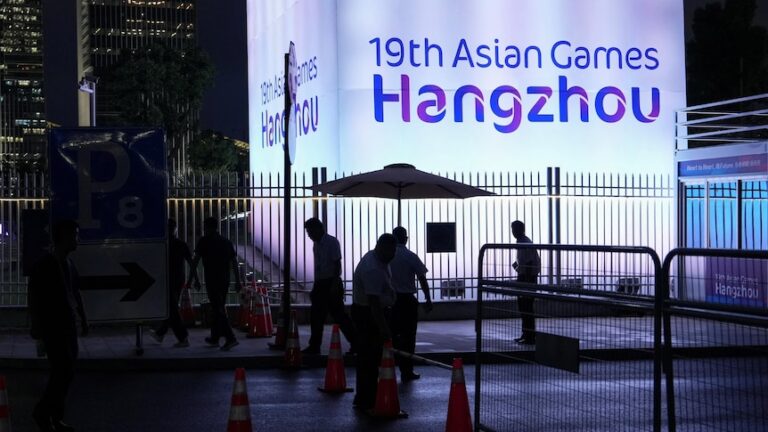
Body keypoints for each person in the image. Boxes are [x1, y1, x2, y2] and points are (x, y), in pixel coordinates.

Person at [28, 219, 88, 432]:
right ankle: (43, 413)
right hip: (54, 328)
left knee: (66, 371)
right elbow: (35, 297)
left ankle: (54, 416)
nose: (77, 239)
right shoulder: (45, 265)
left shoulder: (69, 264)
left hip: (68, 326)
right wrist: (37, 327)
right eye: (75, 235)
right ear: (64, 237)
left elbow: (75, 293)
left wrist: (83, 319)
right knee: (62, 371)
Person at [351, 233, 397, 411]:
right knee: (369, 357)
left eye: (393, 251)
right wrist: (384, 327)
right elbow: (374, 303)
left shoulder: (377, 259)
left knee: (368, 357)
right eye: (390, 251)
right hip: (368, 315)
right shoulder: (373, 268)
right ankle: (367, 397)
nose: (392, 255)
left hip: (369, 312)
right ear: (380, 247)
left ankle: (365, 395)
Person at [302, 217, 357, 354]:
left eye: (310, 232)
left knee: (337, 316)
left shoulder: (331, 242)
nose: (309, 235)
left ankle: (356, 343)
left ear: (318, 229)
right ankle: (315, 346)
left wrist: (333, 284)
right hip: (322, 282)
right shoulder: (317, 244)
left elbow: (337, 265)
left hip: (330, 282)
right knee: (319, 316)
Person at [187, 217, 242, 351]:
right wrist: (238, 281)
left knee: (218, 309)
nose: (204, 229)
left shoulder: (204, 241)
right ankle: (215, 337)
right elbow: (234, 262)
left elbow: (195, 262)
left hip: (212, 280)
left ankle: (230, 338)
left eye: (205, 226)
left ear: (207, 227)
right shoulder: (226, 242)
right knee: (219, 307)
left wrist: (192, 280)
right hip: (225, 280)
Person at [389, 226, 432, 382]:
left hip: (390, 300)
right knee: (408, 337)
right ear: (406, 239)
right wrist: (428, 298)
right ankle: (406, 370)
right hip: (407, 301)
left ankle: (387, 366)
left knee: (391, 335)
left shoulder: (388, 255)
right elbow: (422, 278)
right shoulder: (411, 256)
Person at [150, 219, 198, 348]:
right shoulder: (180, 244)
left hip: (166, 279)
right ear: (175, 229)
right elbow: (191, 262)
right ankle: (160, 334)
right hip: (178, 279)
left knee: (172, 308)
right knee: (171, 306)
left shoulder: (163, 243)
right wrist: (194, 279)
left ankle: (183, 338)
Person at [511, 220, 541, 345]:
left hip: (526, 278)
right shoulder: (523, 241)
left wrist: (525, 282)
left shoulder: (524, 242)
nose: (513, 232)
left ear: (519, 230)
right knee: (525, 308)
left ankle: (529, 336)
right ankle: (526, 334)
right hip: (526, 277)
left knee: (526, 308)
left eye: (514, 229)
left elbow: (528, 264)